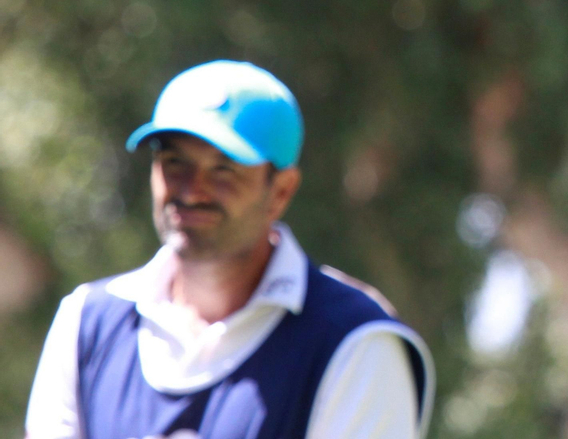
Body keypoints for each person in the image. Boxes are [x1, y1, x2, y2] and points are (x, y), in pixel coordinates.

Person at [25, 60, 435, 439]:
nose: (191, 190)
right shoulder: (86, 323)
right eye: (173, 162)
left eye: (223, 169)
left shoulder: (356, 343)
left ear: (281, 191)